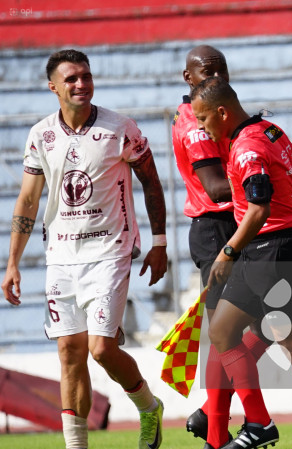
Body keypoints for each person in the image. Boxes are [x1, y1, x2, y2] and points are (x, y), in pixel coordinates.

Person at [2, 49, 166, 449]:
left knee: (101, 349)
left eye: (86, 76)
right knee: (68, 352)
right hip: (60, 256)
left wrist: (159, 241)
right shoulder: (41, 134)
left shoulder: (119, 128)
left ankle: (148, 407)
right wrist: (12, 263)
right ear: (53, 87)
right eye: (72, 79)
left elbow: (151, 181)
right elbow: (28, 200)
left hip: (110, 251)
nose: (81, 84)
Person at [190, 76, 292, 449]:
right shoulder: (271, 131)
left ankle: (280, 427)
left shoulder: (246, 149)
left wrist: (228, 251)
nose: (203, 128)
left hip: (270, 252)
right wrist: (290, 197)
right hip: (281, 248)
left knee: (266, 340)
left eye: (204, 119)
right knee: (257, 338)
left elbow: (259, 209)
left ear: (222, 112)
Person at [172, 45, 270, 448]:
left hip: (238, 226)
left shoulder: (219, 115)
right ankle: (216, 433)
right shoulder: (196, 124)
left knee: (269, 324)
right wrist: (264, 179)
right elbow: (214, 187)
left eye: (222, 69)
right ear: (188, 78)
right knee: (224, 333)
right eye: (207, 71)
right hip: (216, 229)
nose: (216, 76)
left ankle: (210, 409)